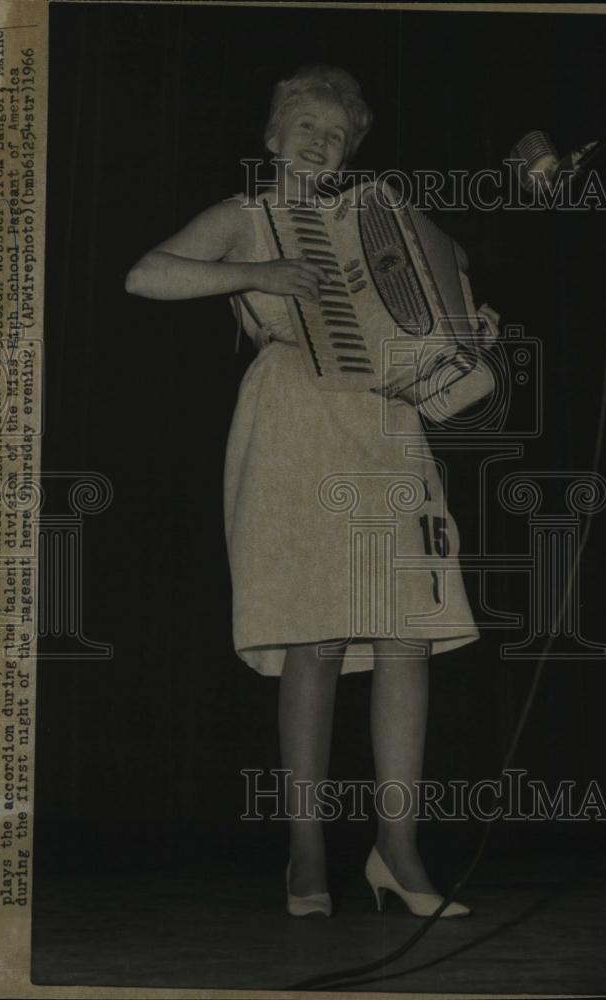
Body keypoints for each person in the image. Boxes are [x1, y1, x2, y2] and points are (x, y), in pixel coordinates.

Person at [125, 64, 499, 919]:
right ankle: (305, 852)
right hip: (294, 415)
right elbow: (144, 275)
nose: (319, 141)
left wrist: (471, 327)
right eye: (304, 125)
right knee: (318, 639)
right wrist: (255, 276)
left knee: (404, 635)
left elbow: (441, 303)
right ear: (271, 136)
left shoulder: (386, 217)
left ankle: (397, 853)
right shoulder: (246, 216)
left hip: (385, 423)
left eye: (336, 134)